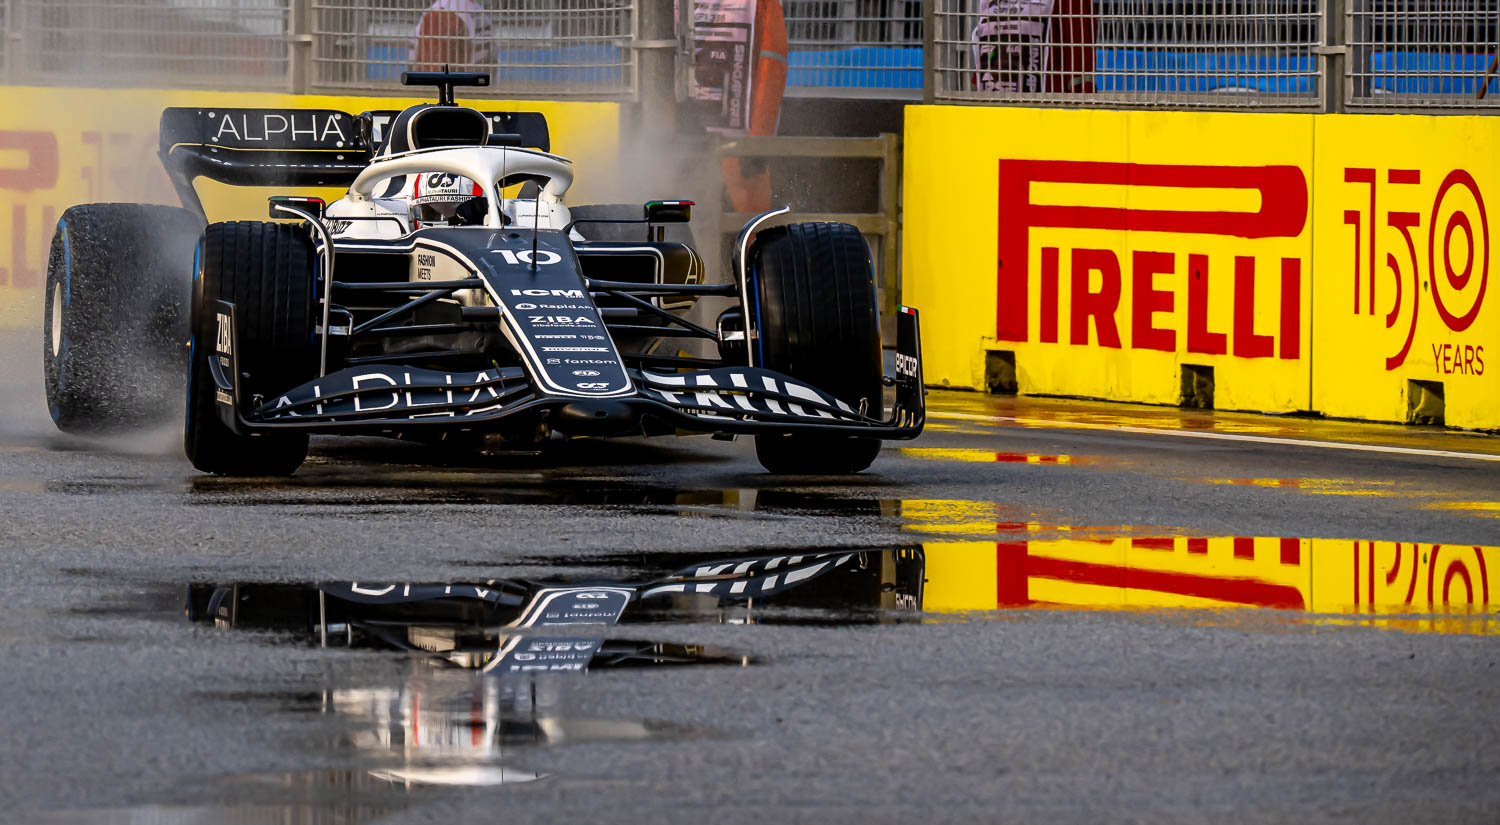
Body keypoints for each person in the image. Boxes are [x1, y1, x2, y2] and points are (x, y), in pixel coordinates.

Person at [411, 0, 493, 71]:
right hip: (463, 78)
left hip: (439, 79)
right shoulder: (479, 15)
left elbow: (414, 61)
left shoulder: (432, 12)